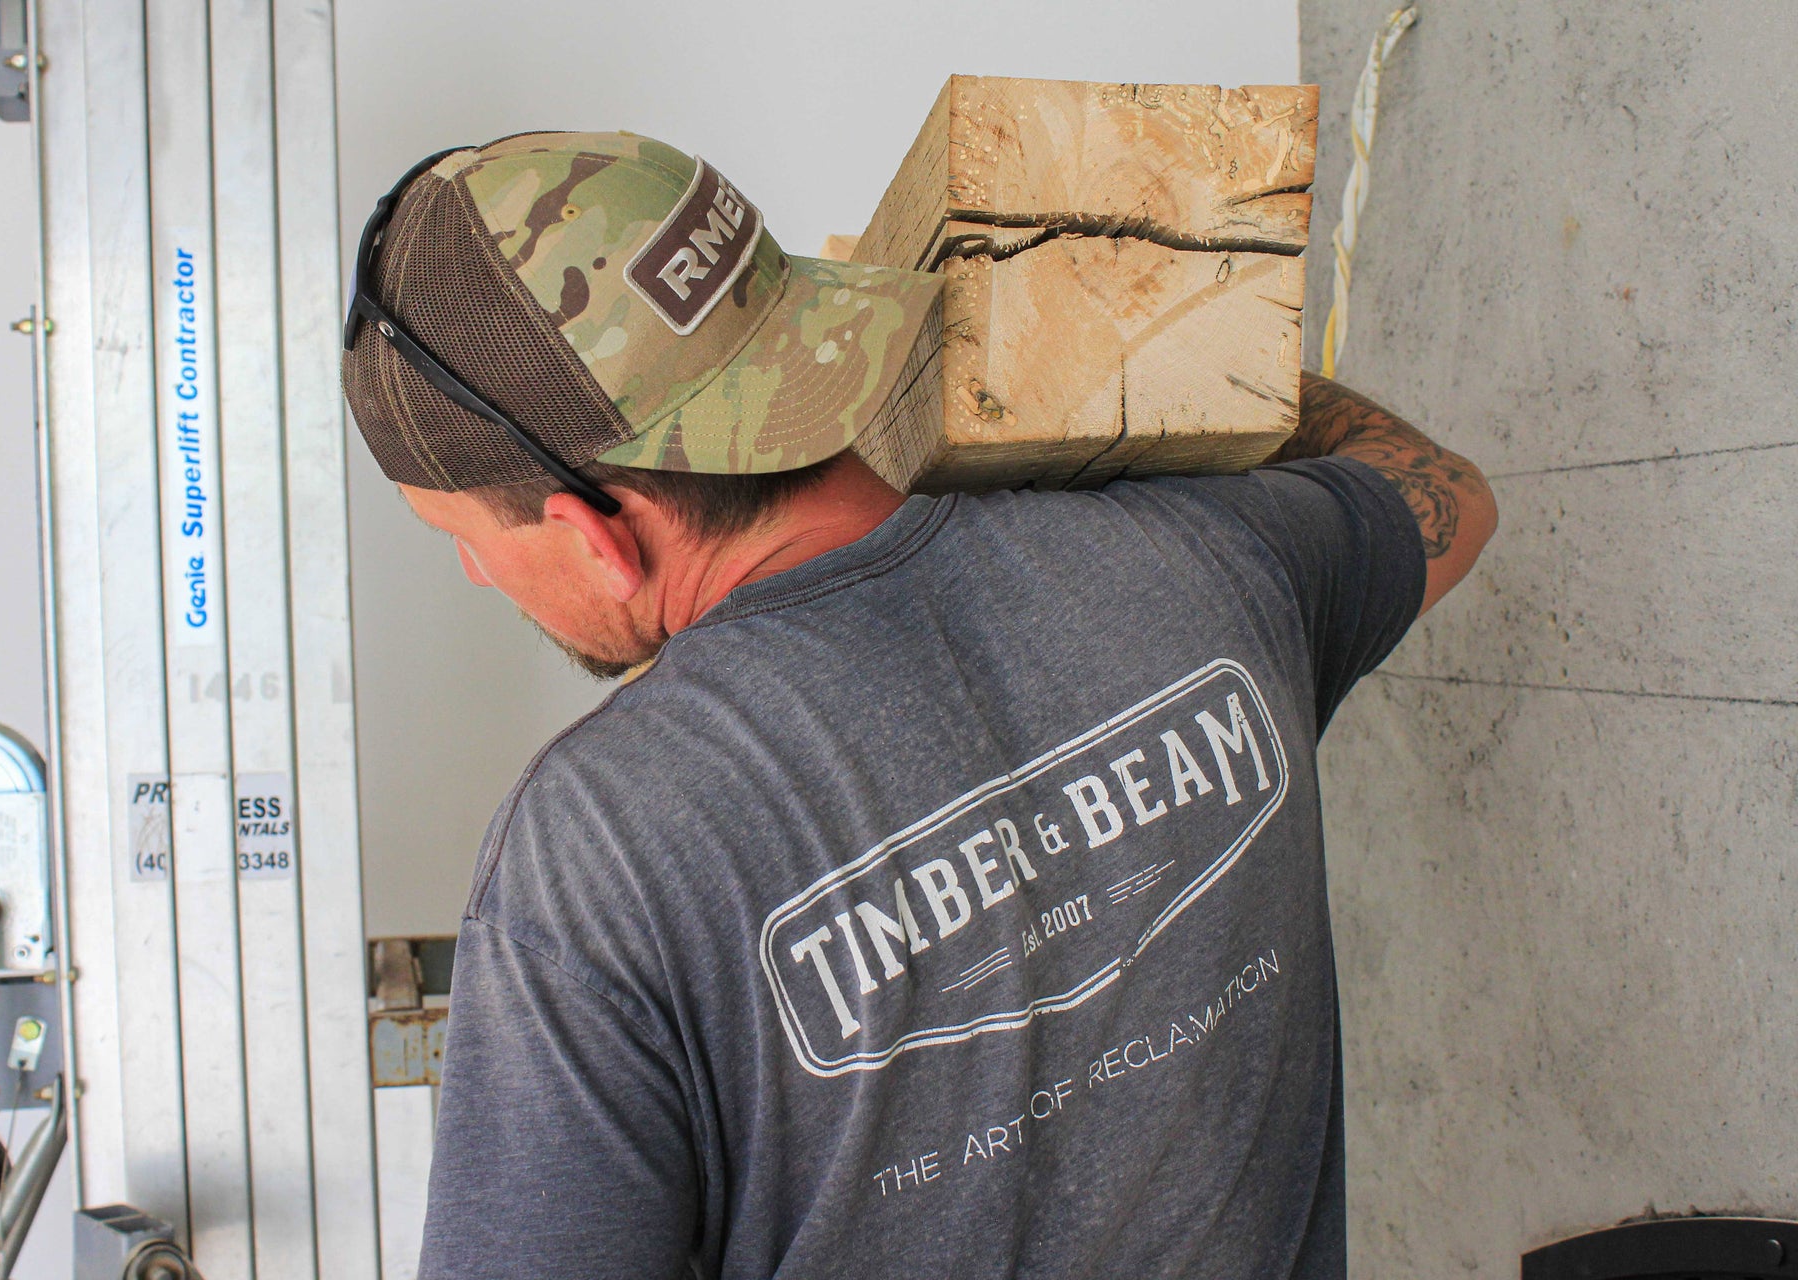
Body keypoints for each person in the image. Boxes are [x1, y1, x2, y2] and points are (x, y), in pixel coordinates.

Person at [341, 131, 1496, 1279]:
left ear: (593, 537)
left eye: (463, 539)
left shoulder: (596, 856)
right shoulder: (1207, 556)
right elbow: (1441, 492)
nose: (474, 575)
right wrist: (1156, 355)